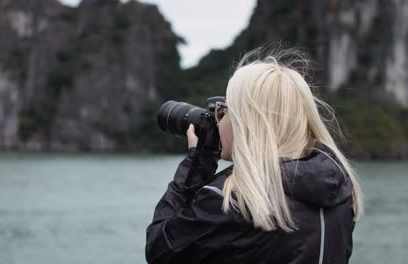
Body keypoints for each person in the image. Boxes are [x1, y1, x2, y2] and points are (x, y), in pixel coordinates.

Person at [145, 47, 364, 264]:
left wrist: (195, 167)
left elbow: (160, 250)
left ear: (246, 121)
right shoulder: (340, 191)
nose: (217, 120)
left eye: (223, 111)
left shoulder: (234, 201)